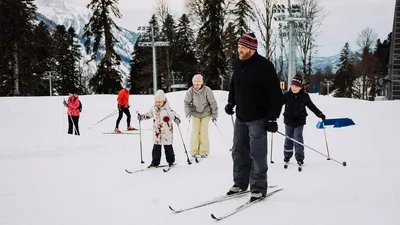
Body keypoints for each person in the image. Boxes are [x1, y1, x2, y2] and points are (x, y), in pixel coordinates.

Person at [224, 33, 283, 202]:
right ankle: (240, 183)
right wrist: (231, 102)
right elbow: (234, 85)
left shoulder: (265, 66)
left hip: (258, 118)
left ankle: (257, 187)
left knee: (257, 154)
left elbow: (275, 94)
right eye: (238, 47)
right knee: (238, 151)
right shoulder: (238, 63)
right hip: (241, 117)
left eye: (242, 48)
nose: (239, 50)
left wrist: (272, 118)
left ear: (251, 49)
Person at [282, 74, 326, 165]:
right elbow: (278, 105)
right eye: (292, 86)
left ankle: (299, 157)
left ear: (301, 87)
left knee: (298, 138)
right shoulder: (287, 95)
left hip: (299, 121)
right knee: (288, 138)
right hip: (288, 120)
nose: (294, 88)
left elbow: (311, 106)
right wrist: (272, 115)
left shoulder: (304, 96)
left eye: (296, 86)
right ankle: (287, 155)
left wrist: (319, 113)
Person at [137, 90, 181, 168]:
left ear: (164, 101)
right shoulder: (154, 108)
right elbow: (149, 114)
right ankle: (155, 162)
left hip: (167, 132)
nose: (158, 103)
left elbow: (174, 115)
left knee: (168, 148)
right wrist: (142, 117)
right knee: (156, 148)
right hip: (157, 132)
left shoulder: (168, 109)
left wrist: (176, 119)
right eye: (156, 101)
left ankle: (171, 161)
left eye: (160, 101)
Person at [184, 74, 218, 159]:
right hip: (195, 113)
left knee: (203, 132)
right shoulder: (190, 91)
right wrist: (187, 112)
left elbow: (213, 103)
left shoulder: (207, 90)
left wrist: (214, 115)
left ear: (202, 83)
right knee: (195, 132)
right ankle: (194, 150)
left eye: (198, 84)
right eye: (194, 84)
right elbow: (186, 103)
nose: (196, 86)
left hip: (206, 113)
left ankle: (204, 151)